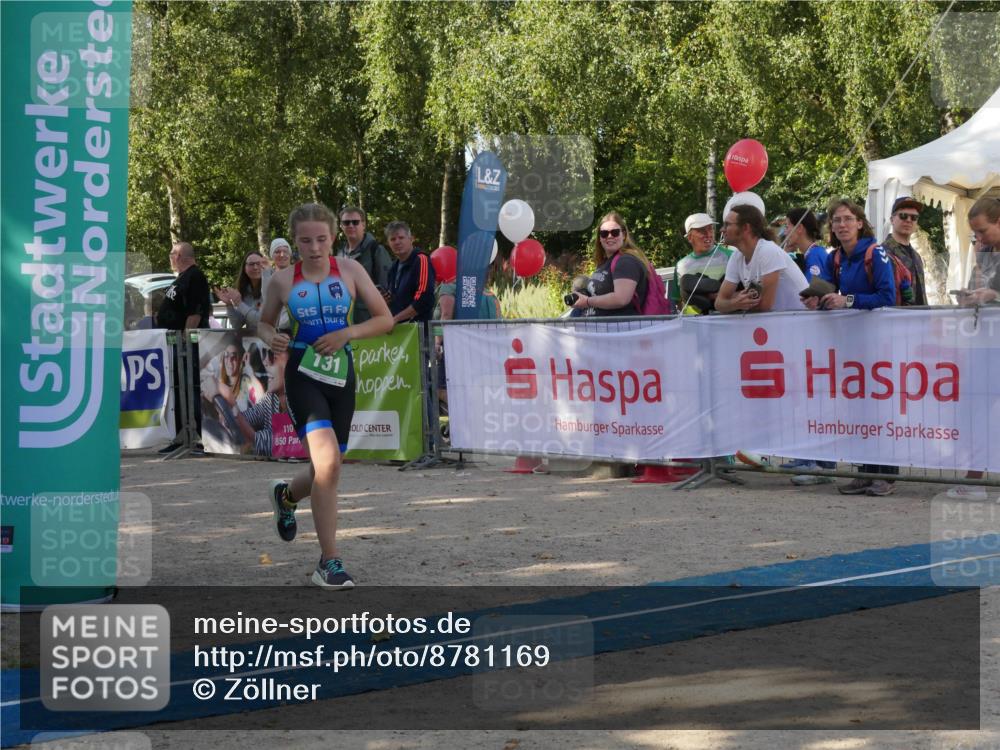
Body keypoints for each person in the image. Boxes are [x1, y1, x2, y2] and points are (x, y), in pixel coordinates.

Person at [258, 203, 393, 589]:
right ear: (294, 242)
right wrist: (275, 338)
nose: (314, 247)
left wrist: (346, 334)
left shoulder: (350, 271)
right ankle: (328, 562)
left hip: (342, 376)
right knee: (329, 461)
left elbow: (384, 319)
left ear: (333, 237)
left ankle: (286, 497)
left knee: (326, 468)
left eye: (321, 239)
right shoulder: (282, 280)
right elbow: (264, 324)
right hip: (303, 375)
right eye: (305, 240)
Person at [805, 199, 898, 496]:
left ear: (860, 223)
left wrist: (849, 301)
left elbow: (888, 296)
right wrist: (815, 300)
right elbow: (827, 290)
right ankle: (864, 471)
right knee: (857, 408)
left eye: (847, 219)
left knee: (880, 408)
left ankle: (886, 475)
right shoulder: (835, 258)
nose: (842, 225)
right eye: (836, 220)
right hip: (852, 345)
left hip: (879, 343)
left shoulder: (875, 252)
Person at [947, 196, 1000, 500]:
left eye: (982, 231)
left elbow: (993, 292)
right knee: (977, 411)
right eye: (975, 234)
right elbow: (980, 289)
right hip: (987, 345)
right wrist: (970, 296)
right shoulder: (985, 252)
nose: (979, 239)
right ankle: (975, 478)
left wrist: (992, 293)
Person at [156, 242, 212, 454]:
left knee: (192, 388)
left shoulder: (195, 276)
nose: (170, 257)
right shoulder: (180, 278)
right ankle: (181, 436)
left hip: (187, 344)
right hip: (174, 344)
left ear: (179, 256)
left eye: (172, 253)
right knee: (179, 388)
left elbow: (195, 311)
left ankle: (200, 437)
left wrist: (187, 339)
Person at [715, 205, 808, 313]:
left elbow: (764, 305)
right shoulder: (736, 257)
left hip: (799, 322)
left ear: (746, 228)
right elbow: (719, 303)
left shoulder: (768, 251)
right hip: (781, 322)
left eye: (727, 225)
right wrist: (735, 303)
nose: (722, 229)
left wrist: (733, 303)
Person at [571, 212, 654, 316]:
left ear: (623, 235)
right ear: (599, 238)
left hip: (619, 329)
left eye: (614, 232)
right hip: (600, 329)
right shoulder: (605, 262)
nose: (609, 236)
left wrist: (587, 301)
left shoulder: (626, 261)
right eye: (604, 233)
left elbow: (621, 299)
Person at [338, 207, 393, 324]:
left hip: (370, 320)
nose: (351, 225)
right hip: (345, 320)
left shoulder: (376, 250)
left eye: (355, 222)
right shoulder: (339, 254)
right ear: (341, 226)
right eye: (346, 222)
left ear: (363, 224)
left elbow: (386, 288)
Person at [671, 213, 732, 314]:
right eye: (701, 231)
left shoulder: (731, 256)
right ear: (689, 237)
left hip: (724, 321)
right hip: (694, 326)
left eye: (710, 229)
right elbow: (679, 301)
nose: (708, 234)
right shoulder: (681, 265)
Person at [385, 221, 436, 325]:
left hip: (419, 331)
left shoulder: (421, 260)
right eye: (393, 239)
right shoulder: (393, 267)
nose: (397, 242)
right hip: (398, 330)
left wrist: (396, 319)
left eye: (401, 237)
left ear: (411, 239)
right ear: (389, 243)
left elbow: (424, 299)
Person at [882, 197, 926, 305]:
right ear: (892, 220)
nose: (908, 220)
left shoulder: (916, 256)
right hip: (895, 319)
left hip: (920, 319)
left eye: (914, 217)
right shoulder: (881, 253)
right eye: (903, 216)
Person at [216, 251, 266, 335]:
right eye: (251, 264)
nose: (255, 267)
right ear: (244, 268)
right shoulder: (244, 291)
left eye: (259, 263)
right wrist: (229, 305)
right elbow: (237, 325)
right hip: (251, 342)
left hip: (271, 342)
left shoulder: (271, 287)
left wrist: (240, 303)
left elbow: (261, 322)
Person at [784, 208, 830, 281]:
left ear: (799, 228)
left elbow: (808, 290)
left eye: (787, 227)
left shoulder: (815, 255)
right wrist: (786, 254)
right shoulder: (812, 253)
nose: (785, 233)